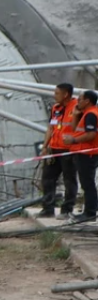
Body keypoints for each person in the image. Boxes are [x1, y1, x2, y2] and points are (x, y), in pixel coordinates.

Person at [41, 83, 79, 218]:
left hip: (69, 151)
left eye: (57, 93)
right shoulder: (56, 108)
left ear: (66, 94)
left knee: (69, 181)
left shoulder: (77, 108)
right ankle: (48, 208)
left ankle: (67, 209)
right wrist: (45, 147)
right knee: (47, 179)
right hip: (54, 149)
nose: (54, 96)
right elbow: (50, 128)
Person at [63, 90, 98, 223]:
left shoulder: (91, 114)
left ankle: (90, 212)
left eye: (80, 99)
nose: (77, 102)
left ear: (87, 101)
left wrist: (73, 141)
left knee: (87, 183)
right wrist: (76, 115)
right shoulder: (87, 113)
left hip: (87, 153)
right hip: (85, 152)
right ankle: (91, 209)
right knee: (87, 182)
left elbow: (91, 135)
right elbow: (75, 129)